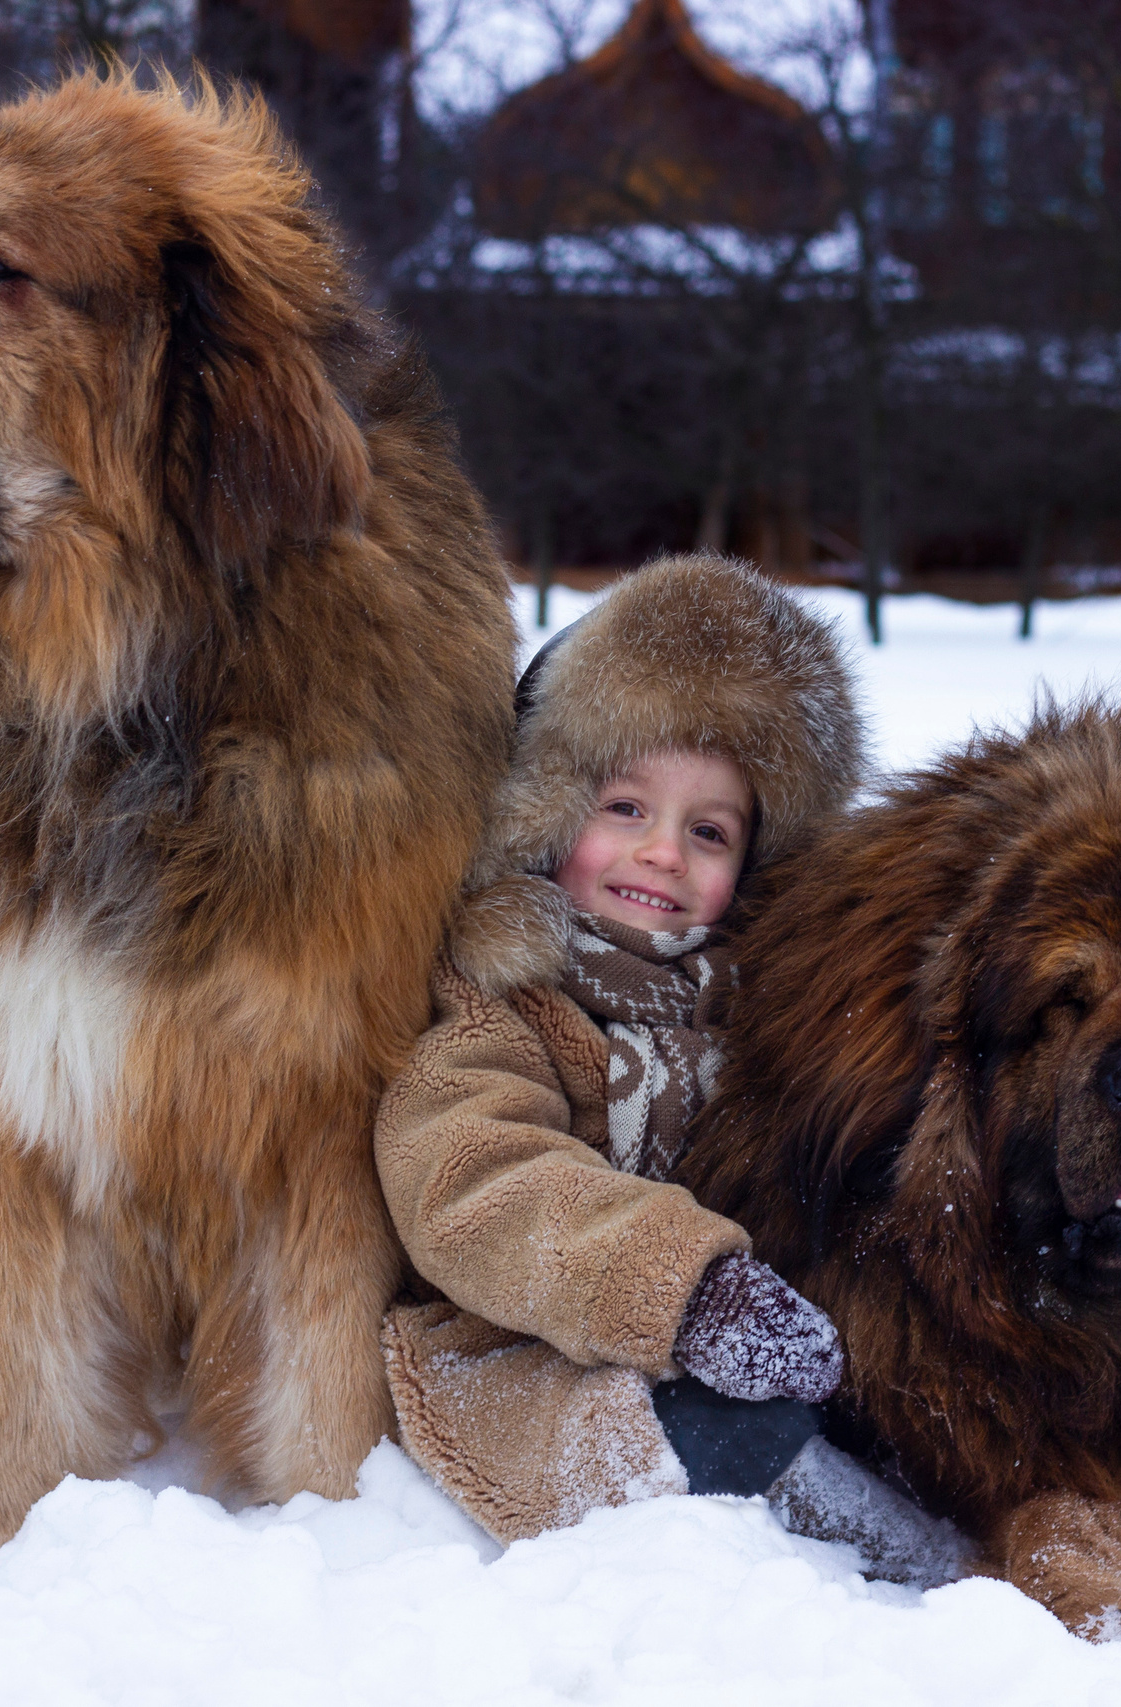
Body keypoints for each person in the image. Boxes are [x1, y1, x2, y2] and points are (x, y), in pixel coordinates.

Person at [377, 553, 963, 1584]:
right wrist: (684, 1287)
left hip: (750, 1328)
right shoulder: (507, 1002)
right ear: (545, 806)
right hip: (525, 1341)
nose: (661, 855)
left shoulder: (751, 1005)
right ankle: (878, 1557)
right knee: (694, 1436)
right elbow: (471, 1180)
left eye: (706, 831)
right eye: (624, 810)